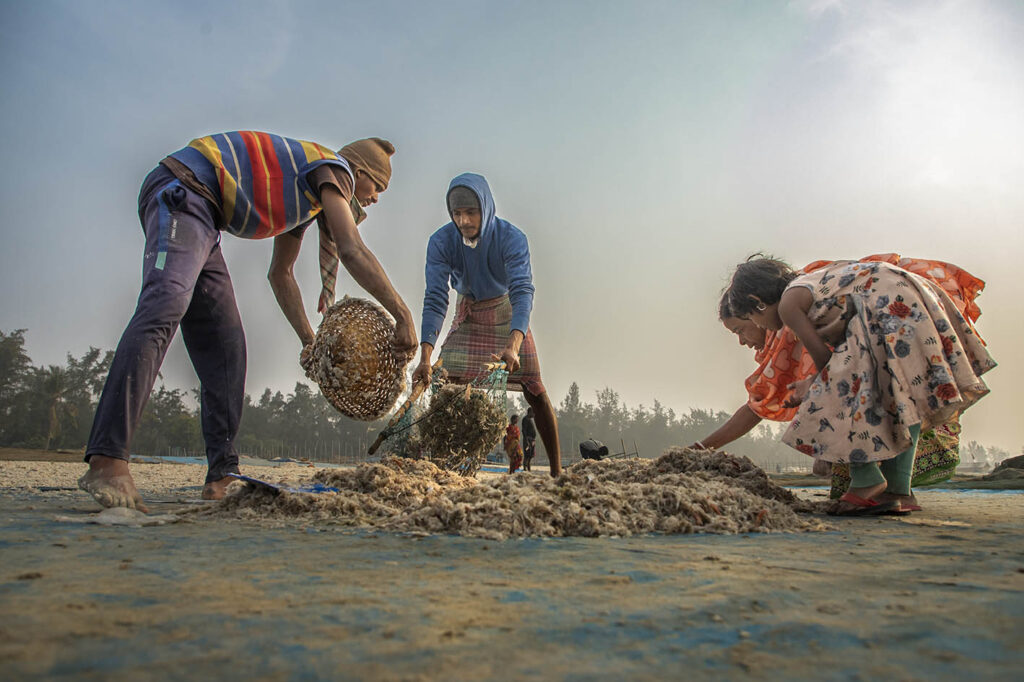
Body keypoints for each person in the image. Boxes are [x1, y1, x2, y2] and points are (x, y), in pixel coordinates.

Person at [79, 132, 417, 512]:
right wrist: (402, 313)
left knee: (228, 347)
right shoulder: (332, 169)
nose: (374, 198)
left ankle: (222, 473)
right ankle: (107, 459)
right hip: (183, 192)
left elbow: (281, 274)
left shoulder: (305, 199)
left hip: (207, 221)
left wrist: (312, 343)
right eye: (378, 187)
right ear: (358, 171)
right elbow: (352, 248)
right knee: (166, 301)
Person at [695, 254, 985, 506]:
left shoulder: (788, 308)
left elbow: (827, 369)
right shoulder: (812, 282)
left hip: (885, 308)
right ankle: (899, 490)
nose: (746, 339)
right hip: (912, 301)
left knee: (841, 387)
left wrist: (813, 387)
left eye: (743, 327)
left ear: (757, 304)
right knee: (901, 397)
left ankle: (866, 482)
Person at [412, 173, 561, 476]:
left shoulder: (511, 238)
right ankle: (446, 469)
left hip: (507, 311)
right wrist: (425, 357)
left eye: (471, 212)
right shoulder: (441, 242)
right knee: (442, 381)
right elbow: (436, 299)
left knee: (534, 387)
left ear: (487, 207)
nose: (464, 220)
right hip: (469, 313)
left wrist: (513, 345)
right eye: (456, 213)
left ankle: (557, 472)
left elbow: (522, 291)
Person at [521, 406, 537, 471]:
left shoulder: (530, 420)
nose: (534, 414)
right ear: (530, 412)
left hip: (532, 440)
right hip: (528, 440)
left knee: (530, 455)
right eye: (533, 413)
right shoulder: (525, 419)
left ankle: (529, 468)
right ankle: (525, 468)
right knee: (527, 454)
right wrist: (526, 440)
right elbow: (524, 430)